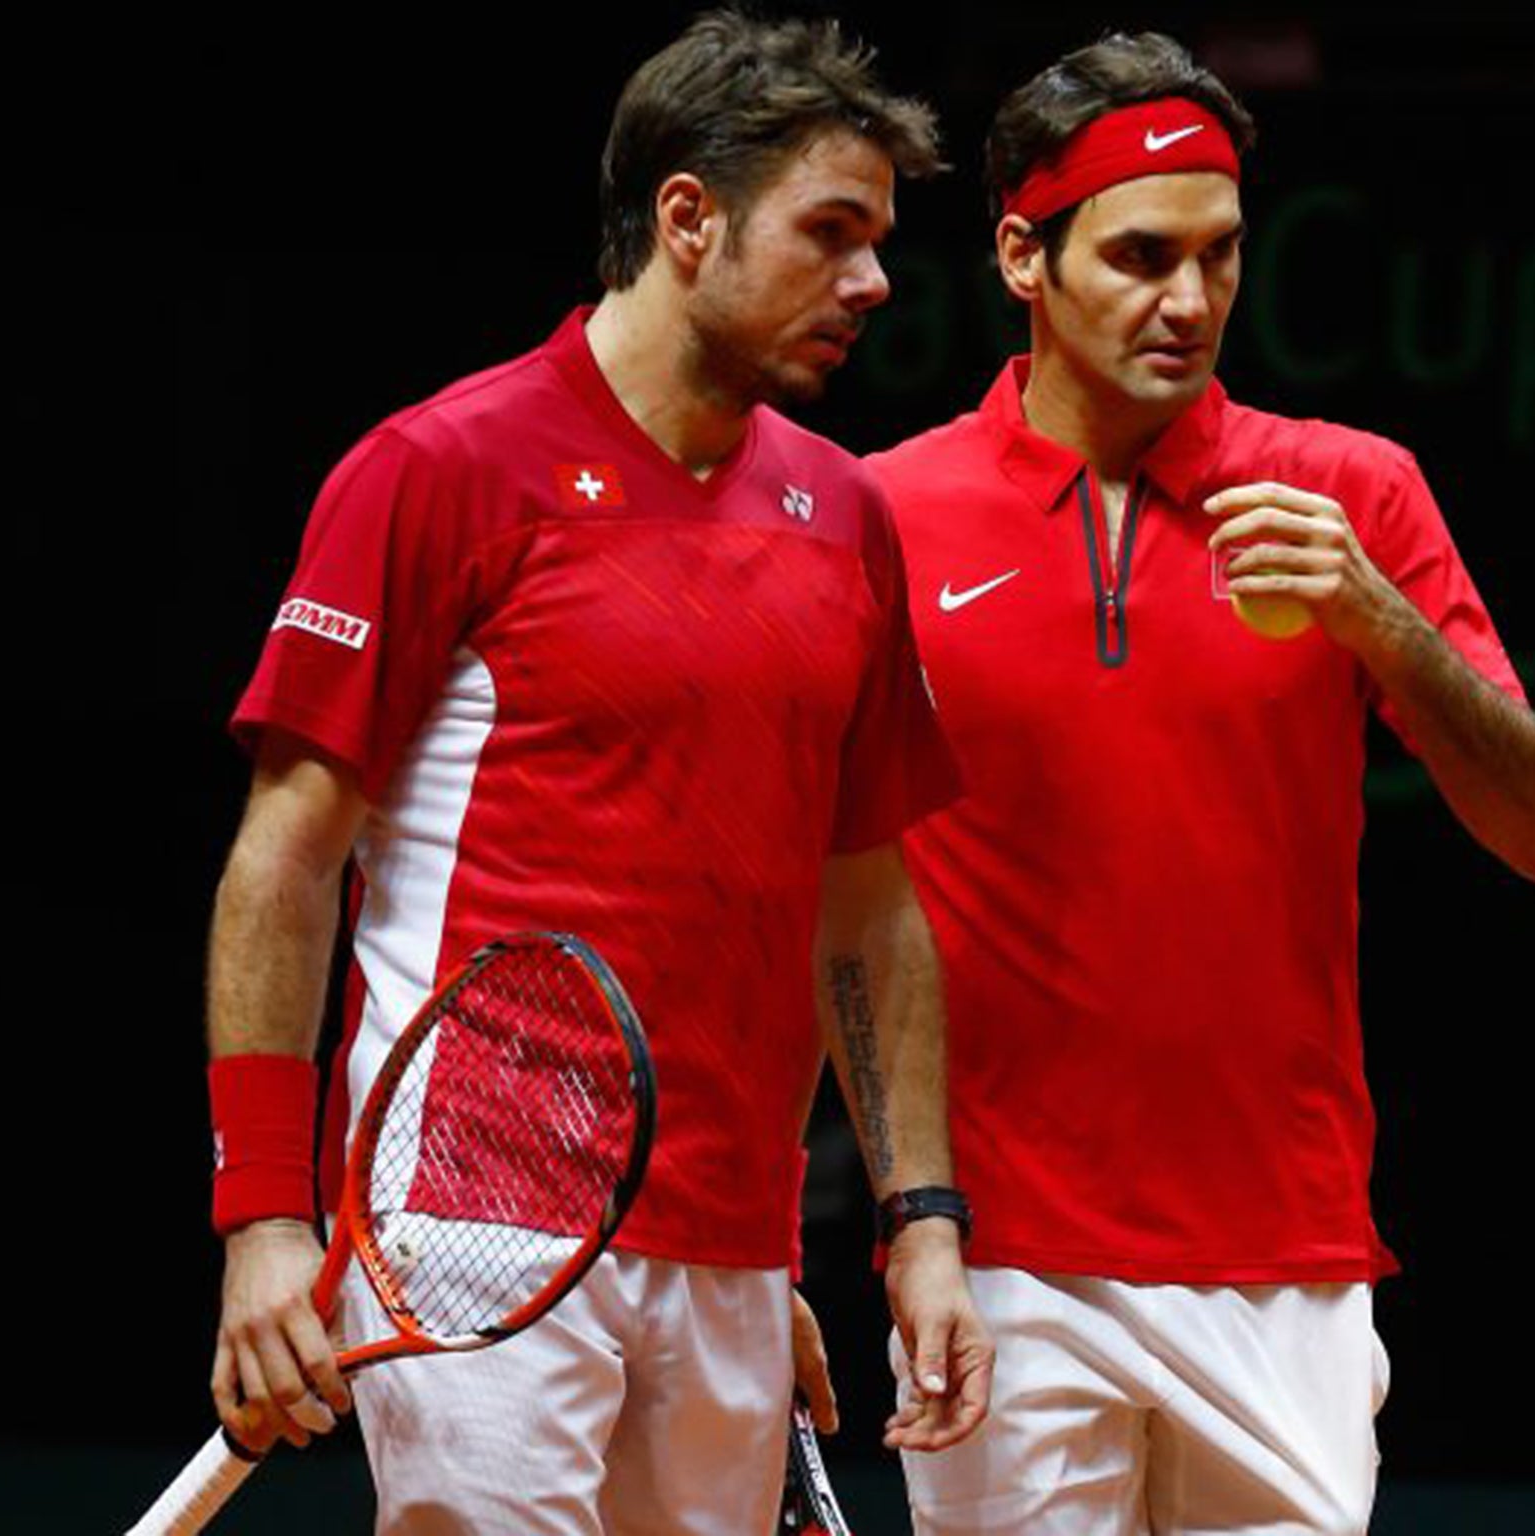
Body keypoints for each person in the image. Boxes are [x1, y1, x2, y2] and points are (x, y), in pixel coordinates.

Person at [201, 13, 992, 1532]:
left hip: (737, 1250)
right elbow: (284, 859)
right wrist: (262, 1222)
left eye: (882, 241)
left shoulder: (845, 517)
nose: (875, 282)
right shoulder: (442, 469)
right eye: (832, 234)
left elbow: (871, 913)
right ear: (687, 218)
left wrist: (921, 1228)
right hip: (476, 1228)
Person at [868, 32, 1535, 1536]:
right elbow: (833, 900)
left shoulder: (1353, 491)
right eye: (1140, 257)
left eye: (1219, 258)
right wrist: (915, 1230)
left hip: (1285, 1263)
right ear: (1023, 253)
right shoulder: (884, 517)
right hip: (1005, 1263)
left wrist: (1376, 617)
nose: (1188, 303)